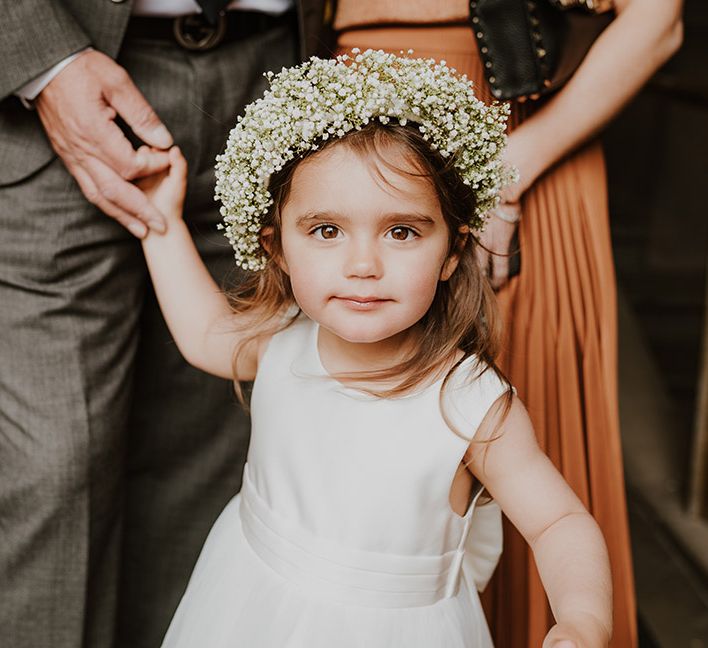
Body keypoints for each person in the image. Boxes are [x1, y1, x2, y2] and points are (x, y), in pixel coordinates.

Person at [136, 50, 612, 648]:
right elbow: (206, 334)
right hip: (247, 603)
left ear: (451, 252)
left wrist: (583, 618)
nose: (364, 265)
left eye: (402, 231)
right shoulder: (284, 338)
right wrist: (162, 220)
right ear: (277, 247)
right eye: (326, 231)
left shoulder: (468, 402)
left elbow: (559, 521)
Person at [334, 2, 683, 646]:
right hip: (358, 112)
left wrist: (505, 168)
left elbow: (658, 17)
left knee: (521, 426)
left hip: (516, 131)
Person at [0, 2, 328, 648]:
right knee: (54, 473)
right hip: (63, 73)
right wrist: (45, 59)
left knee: (221, 469)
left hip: (276, 74)